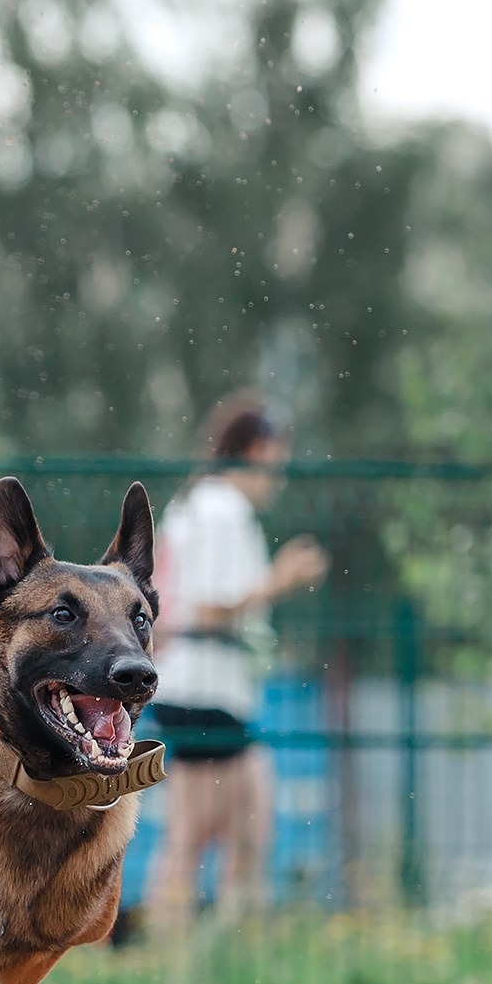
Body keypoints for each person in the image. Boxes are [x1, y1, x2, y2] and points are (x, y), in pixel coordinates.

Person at [142, 396, 327, 933]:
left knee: (248, 823)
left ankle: (222, 944)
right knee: (192, 834)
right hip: (203, 688)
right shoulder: (222, 510)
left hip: (204, 688)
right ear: (259, 451)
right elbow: (208, 606)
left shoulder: (200, 504)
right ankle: (171, 947)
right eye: (277, 461)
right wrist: (282, 579)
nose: (278, 477)